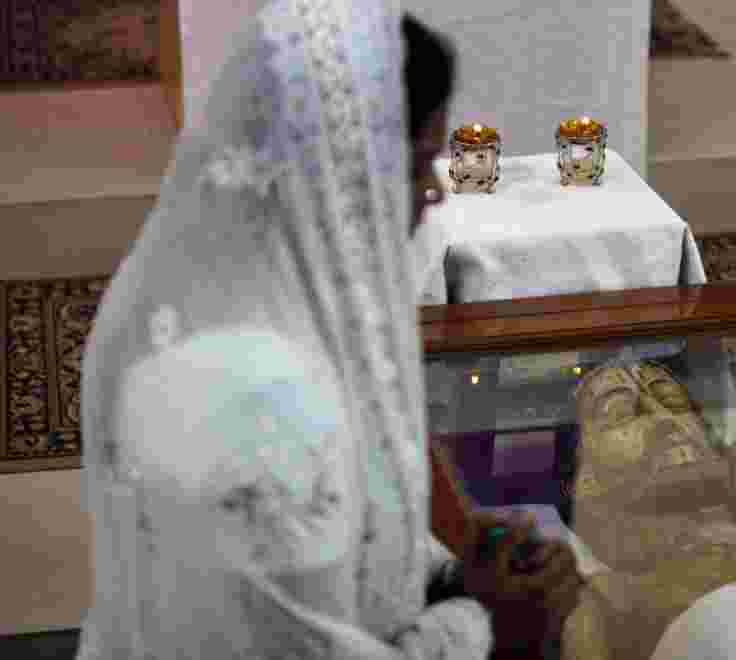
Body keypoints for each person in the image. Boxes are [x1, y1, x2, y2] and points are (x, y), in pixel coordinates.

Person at [75, 2, 581, 659]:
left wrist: (464, 556)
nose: (435, 192)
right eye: (418, 163)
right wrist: (497, 621)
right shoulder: (259, 408)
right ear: (336, 172)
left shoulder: (247, 285)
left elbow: (360, 453)